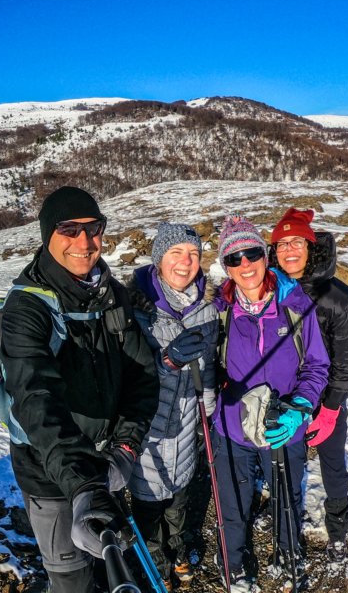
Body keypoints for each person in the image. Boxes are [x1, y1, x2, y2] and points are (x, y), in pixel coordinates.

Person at [0, 186, 160, 593]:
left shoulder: (111, 294)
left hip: (105, 463)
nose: (84, 243)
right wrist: (82, 484)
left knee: (110, 563)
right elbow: (35, 400)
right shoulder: (26, 309)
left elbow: (142, 374)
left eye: (93, 228)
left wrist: (126, 448)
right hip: (50, 476)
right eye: (69, 229)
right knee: (71, 578)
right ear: (46, 235)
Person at [210, 214, 329, 591]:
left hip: (283, 423)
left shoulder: (295, 303)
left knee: (286, 495)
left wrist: (301, 407)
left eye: (252, 253)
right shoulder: (219, 309)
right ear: (226, 267)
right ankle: (233, 562)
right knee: (233, 501)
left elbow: (317, 365)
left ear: (265, 255)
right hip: (231, 427)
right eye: (234, 258)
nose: (245, 264)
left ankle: (288, 551)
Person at [126, 222, 220, 584]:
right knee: (148, 508)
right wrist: (166, 362)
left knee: (179, 502)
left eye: (194, 254)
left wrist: (207, 406)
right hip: (148, 433)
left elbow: (208, 367)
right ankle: (156, 564)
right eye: (176, 252)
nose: (186, 262)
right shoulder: (137, 309)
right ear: (158, 258)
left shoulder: (206, 310)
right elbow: (128, 373)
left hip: (186, 432)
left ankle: (177, 548)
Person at [269, 207, 348, 563]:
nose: (289, 250)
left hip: (325, 399)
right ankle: (282, 512)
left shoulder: (340, 300)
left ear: (311, 247)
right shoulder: (270, 289)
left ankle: (337, 531)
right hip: (282, 395)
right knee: (282, 458)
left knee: (332, 464)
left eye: (297, 242)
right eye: (282, 244)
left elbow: (347, 362)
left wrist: (330, 409)